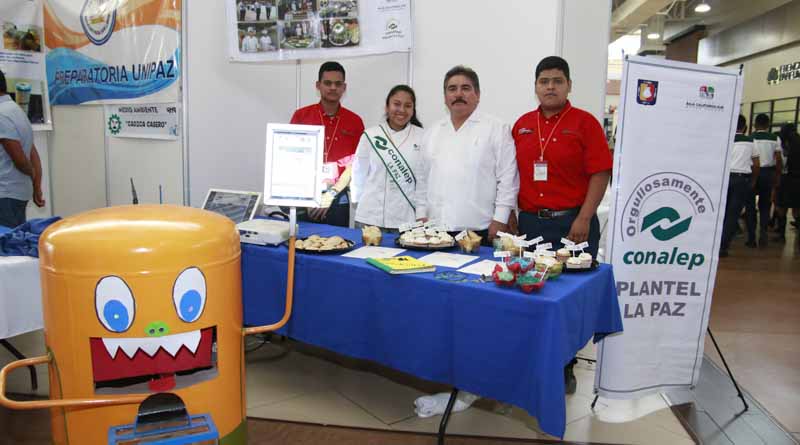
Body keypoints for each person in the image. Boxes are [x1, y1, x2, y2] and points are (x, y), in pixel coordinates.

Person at [512, 56, 612, 394]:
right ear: (536, 86)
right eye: (544, 81)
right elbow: (511, 175)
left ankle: (565, 364)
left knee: (569, 299)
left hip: (573, 225)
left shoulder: (585, 123)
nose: (550, 87)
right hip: (531, 224)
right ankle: (534, 358)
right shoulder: (522, 125)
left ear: (569, 85)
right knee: (532, 292)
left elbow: (600, 172)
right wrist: (511, 214)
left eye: (557, 81)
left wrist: (584, 217)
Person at [415, 65, 519, 241]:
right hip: (435, 232)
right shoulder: (432, 132)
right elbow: (422, 179)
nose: (458, 94)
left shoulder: (496, 128)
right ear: (445, 97)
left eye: (465, 88)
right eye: (452, 89)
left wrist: (501, 219)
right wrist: (420, 214)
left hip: (480, 231)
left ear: (477, 95)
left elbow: (508, 178)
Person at [290, 61, 364, 227]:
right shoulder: (301, 116)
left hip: (338, 198)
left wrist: (330, 195)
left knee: (338, 241)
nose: (333, 88)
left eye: (338, 84)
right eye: (327, 83)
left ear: (344, 87)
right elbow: (292, 159)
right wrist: (309, 197)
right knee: (301, 241)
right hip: (305, 197)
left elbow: (356, 165)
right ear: (318, 85)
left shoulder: (355, 121)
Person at [351, 85, 424, 231]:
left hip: (405, 220)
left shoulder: (422, 136)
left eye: (408, 106)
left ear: (413, 110)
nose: (402, 110)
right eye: (396, 104)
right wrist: (358, 203)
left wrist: (422, 212)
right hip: (370, 217)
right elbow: (359, 173)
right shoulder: (371, 135)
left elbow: (424, 180)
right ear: (387, 106)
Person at [0, 70, 44, 228]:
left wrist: (32, 174)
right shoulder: (16, 110)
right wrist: (36, 186)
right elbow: (33, 154)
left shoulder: (1, 115)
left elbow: (19, 159)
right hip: (16, 194)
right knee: (14, 240)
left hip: (5, 195)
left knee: (6, 241)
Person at [720, 115, 760, 257]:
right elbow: (756, 164)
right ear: (744, 127)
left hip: (724, 179)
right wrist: (753, 181)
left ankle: (715, 242)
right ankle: (723, 246)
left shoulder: (724, 139)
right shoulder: (751, 141)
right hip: (741, 180)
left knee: (721, 212)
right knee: (733, 214)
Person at [747, 113, 782, 247]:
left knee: (750, 205)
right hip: (768, 174)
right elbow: (778, 159)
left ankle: (751, 238)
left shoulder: (750, 138)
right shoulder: (775, 138)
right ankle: (763, 233)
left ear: (755, 125)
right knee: (765, 205)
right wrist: (777, 176)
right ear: (768, 125)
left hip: (752, 172)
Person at [777, 124, 800, 241]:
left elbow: (782, 163)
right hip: (798, 180)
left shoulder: (785, 145)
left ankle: (781, 235)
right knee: (797, 208)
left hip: (787, 179)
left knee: (782, 207)